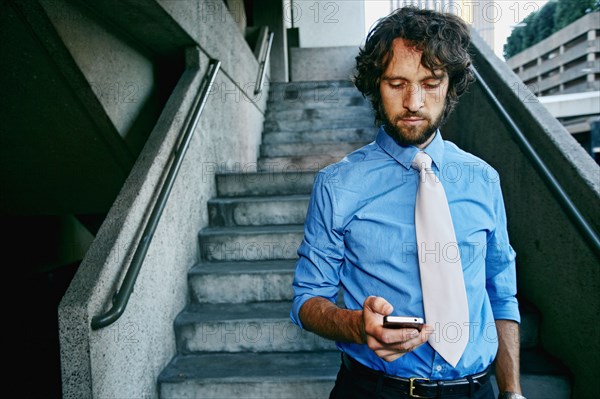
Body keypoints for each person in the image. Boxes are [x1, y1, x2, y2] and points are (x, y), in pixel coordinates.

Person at [290, 6, 525, 399]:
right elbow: (307, 300)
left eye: (430, 83)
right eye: (396, 83)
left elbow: (500, 290)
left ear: (450, 86)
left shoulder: (483, 179)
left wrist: (513, 390)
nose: (414, 102)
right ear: (374, 86)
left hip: (476, 390)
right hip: (373, 389)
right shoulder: (336, 184)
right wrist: (356, 326)